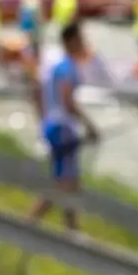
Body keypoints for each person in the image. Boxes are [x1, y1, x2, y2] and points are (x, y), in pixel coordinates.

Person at [30, 20, 99, 230]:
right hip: (62, 128)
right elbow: (68, 102)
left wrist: (43, 122)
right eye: (80, 39)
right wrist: (90, 126)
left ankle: (72, 232)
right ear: (70, 41)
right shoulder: (67, 67)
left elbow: (36, 93)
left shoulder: (55, 65)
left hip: (53, 125)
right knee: (65, 184)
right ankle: (29, 223)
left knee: (71, 183)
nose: (83, 43)